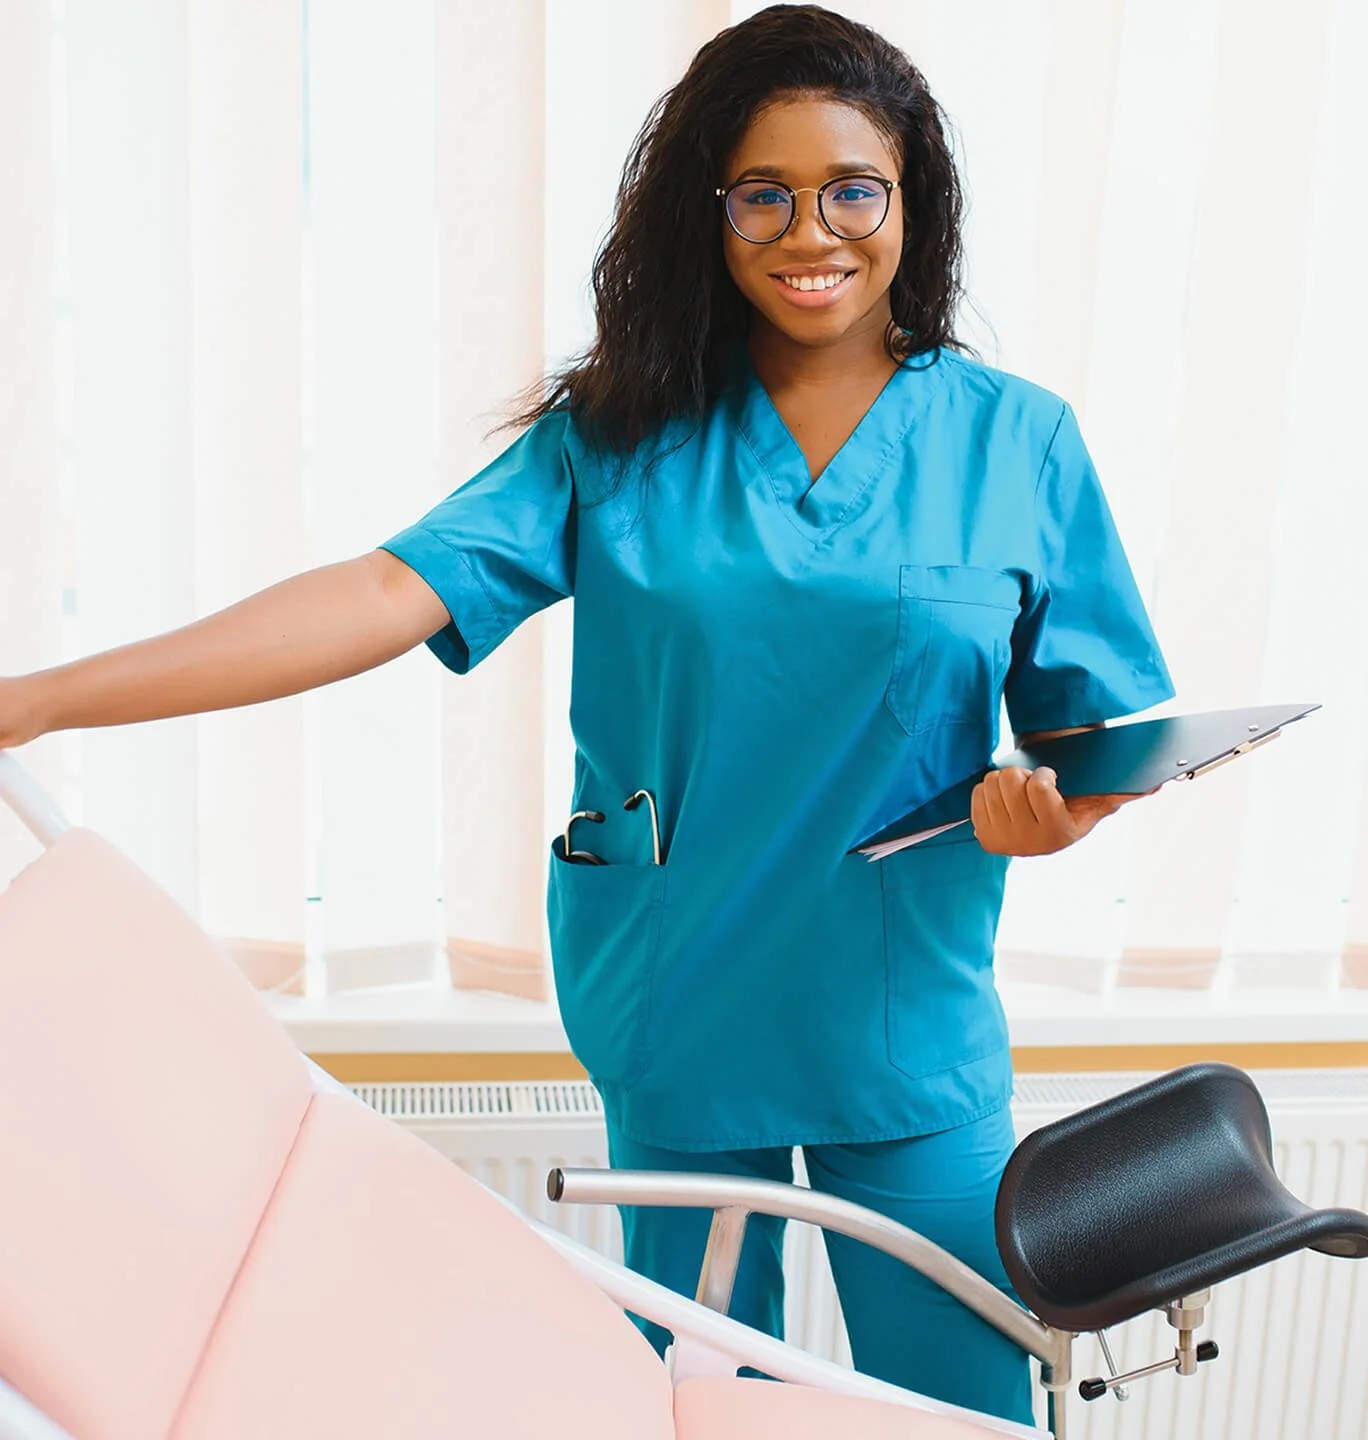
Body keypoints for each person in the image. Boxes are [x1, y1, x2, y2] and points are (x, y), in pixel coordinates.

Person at [0, 5, 1172, 1425]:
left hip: (903, 1013)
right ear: (713, 210)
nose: (816, 229)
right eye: (766, 193)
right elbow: (381, 592)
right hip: (678, 997)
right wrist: (37, 700)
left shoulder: (1018, 441)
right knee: (686, 1400)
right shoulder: (616, 437)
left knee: (959, 1406)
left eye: (855, 187)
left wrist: (1045, 816)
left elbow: (1098, 741)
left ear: (914, 203)